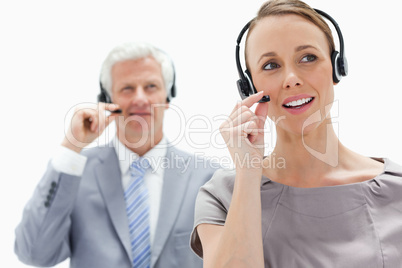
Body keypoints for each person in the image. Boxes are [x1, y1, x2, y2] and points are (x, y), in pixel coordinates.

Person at [190, 0, 402, 267]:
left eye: (308, 58)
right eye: (270, 65)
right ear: (250, 87)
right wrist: (248, 170)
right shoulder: (223, 195)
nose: (291, 78)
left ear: (337, 67)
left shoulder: (397, 190)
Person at [15, 42, 218, 268]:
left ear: (167, 97)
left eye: (151, 86)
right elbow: (33, 253)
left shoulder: (208, 178)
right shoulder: (75, 174)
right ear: (108, 100)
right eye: (127, 88)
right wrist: (71, 147)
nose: (140, 98)